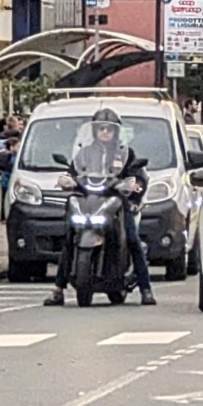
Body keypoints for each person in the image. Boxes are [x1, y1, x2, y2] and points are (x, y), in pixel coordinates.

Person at [44, 108, 156, 307]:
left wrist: (133, 185)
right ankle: (58, 289)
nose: (105, 132)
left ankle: (146, 289)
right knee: (70, 237)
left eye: (109, 129)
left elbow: (139, 176)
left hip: (115, 201)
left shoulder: (126, 154)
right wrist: (67, 180)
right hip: (88, 200)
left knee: (132, 239)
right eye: (101, 128)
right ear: (94, 131)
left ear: (116, 132)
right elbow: (73, 171)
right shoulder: (85, 153)